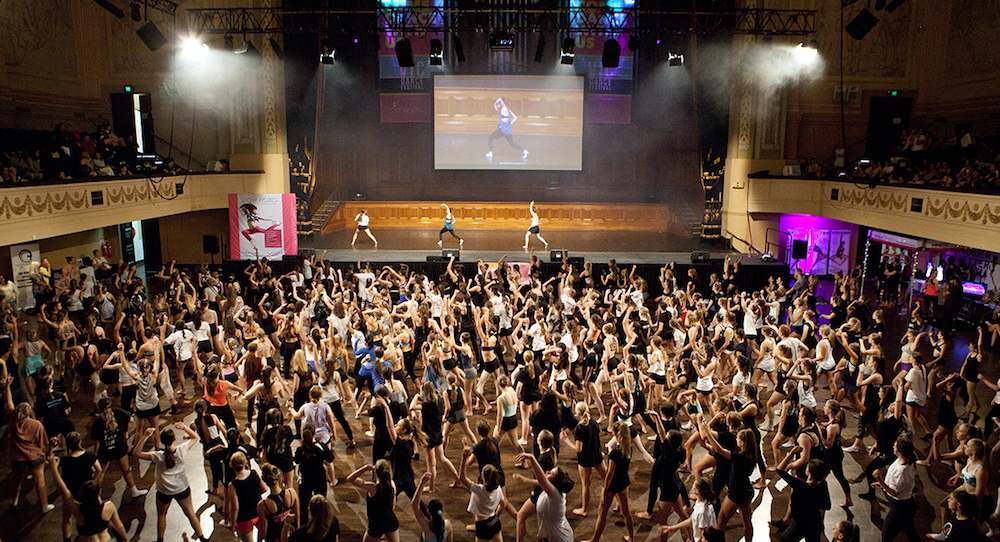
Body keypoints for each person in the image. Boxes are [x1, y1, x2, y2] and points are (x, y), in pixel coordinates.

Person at [134, 424, 210, 542]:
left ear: (162, 441)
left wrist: (145, 436)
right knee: (190, 513)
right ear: (174, 439)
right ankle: (202, 538)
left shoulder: (158, 456)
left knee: (161, 515)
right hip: (182, 488)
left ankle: (160, 540)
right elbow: (195, 437)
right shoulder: (181, 450)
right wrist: (184, 427)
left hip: (164, 491)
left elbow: (137, 453)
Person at [47, 454, 129, 542]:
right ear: (99, 493)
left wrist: (54, 469)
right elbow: (119, 525)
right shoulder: (109, 507)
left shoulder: (78, 510)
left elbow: (64, 492)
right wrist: (125, 539)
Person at [4, 374, 54, 513]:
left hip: (17, 457)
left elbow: (9, 403)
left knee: (16, 481)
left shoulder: (13, 420)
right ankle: (44, 506)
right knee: (40, 481)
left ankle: (14, 501)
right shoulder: (36, 424)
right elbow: (41, 444)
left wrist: (8, 386)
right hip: (34, 457)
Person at [583, 422, 634, 542]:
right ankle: (632, 537)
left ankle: (595, 539)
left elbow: (610, 473)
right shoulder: (628, 447)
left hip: (613, 484)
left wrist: (605, 488)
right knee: (626, 512)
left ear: (615, 433)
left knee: (602, 512)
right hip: (624, 481)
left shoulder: (615, 452)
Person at [515, 453, 575, 542]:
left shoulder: (555, 495)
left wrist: (532, 458)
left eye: (551, 473)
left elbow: (541, 479)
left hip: (560, 539)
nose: (547, 472)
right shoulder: (551, 491)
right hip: (551, 537)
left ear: (555, 481)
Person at [871, 436, 920, 542]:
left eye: (895, 445)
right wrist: (883, 485)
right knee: (909, 530)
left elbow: (894, 493)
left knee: (887, 536)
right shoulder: (902, 460)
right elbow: (896, 485)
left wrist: (880, 480)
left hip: (901, 507)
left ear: (900, 452)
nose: (893, 446)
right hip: (904, 506)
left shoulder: (903, 471)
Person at [346, 460, 400, 542]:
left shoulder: (372, 488)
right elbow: (393, 505)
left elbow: (350, 479)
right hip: (390, 520)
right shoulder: (392, 485)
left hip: (376, 524)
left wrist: (365, 468)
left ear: (375, 472)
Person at [659, 477, 717, 542]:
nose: (692, 485)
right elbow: (690, 521)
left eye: (694, 485)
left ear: (697, 491)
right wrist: (670, 528)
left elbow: (702, 538)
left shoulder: (701, 512)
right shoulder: (702, 503)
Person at [257, 462, 300, 542]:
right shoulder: (291, 493)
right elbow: (297, 517)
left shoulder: (263, 505)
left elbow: (263, 530)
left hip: (274, 537)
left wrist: (260, 540)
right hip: (291, 534)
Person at [411, 472, 454, 542]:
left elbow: (414, 505)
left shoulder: (427, 530)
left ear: (428, 512)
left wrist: (422, 483)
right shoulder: (448, 525)